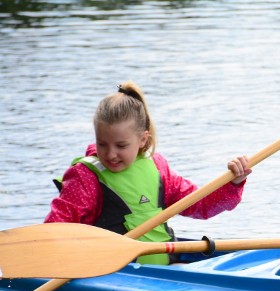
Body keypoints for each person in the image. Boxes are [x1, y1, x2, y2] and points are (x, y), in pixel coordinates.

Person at [45, 81, 252, 265]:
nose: (111, 154)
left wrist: (233, 183)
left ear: (143, 139)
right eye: (102, 144)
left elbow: (200, 205)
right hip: (111, 275)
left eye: (121, 145)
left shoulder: (157, 168)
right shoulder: (85, 177)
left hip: (161, 271)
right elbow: (55, 229)